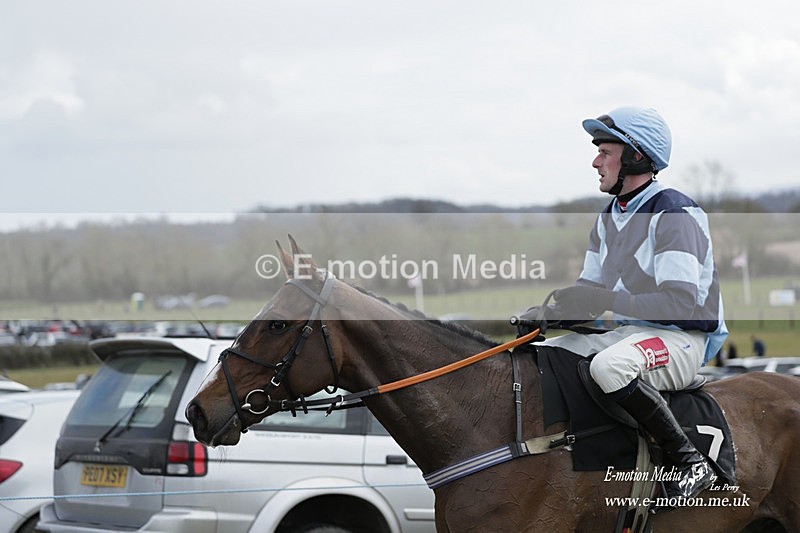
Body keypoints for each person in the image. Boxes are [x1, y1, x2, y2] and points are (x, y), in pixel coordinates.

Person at [522, 107, 727, 503]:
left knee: (610, 367)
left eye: (605, 152)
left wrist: (605, 300)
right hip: (633, 334)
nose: (596, 161)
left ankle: (689, 461)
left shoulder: (673, 212)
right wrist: (547, 316)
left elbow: (680, 305)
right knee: (543, 356)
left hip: (681, 340)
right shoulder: (608, 217)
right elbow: (590, 292)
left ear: (635, 156)